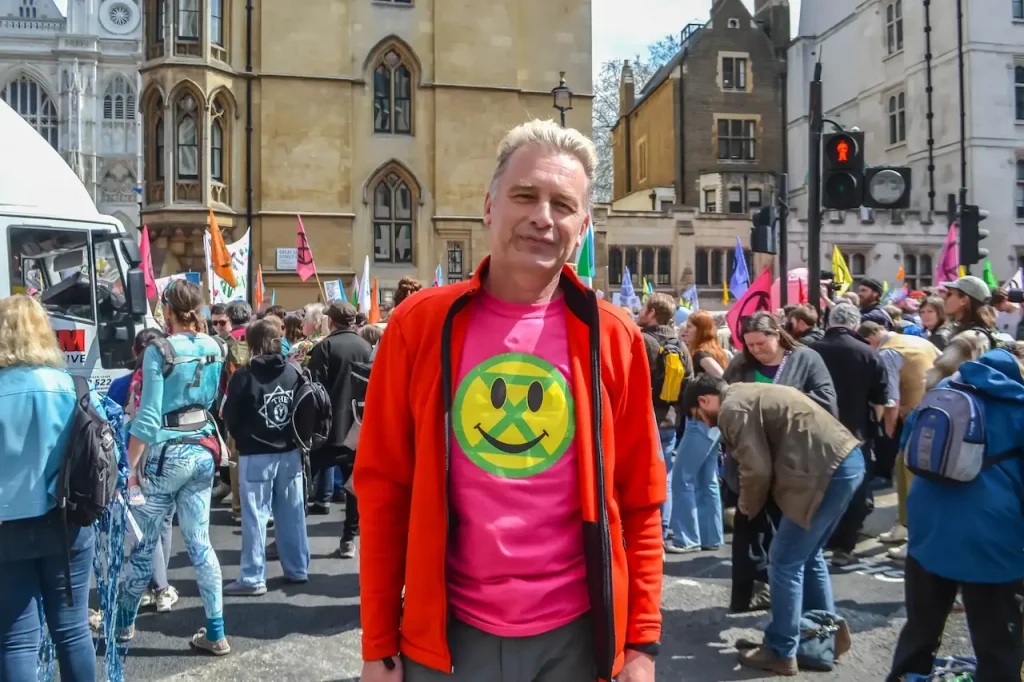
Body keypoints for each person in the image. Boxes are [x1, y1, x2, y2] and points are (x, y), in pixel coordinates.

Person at [355, 119, 664, 682]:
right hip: (446, 641)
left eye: (562, 204)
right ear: (490, 207)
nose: (542, 216)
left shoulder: (614, 336)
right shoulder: (417, 326)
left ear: (583, 225)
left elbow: (640, 501)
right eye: (525, 195)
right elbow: (382, 490)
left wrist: (641, 644)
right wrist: (377, 645)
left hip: (578, 641)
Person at [682, 375, 861, 675]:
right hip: (846, 462)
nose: (704, 424)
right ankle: (821, 640)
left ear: (704, 401)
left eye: (697, 417)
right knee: (808, 556)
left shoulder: (731, 410)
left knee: (783, 561)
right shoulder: (745, 393)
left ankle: (781, 650)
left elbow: (757, 469)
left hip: (826, 471)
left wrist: (746, 507)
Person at [886, 348, 1024, 682]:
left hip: (928, 523)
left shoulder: (943, 394)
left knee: (921, 626)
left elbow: (908, 445)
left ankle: (905, 676)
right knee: (996, 640)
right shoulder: (1018, 408)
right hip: (991, 535)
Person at [116, 279, 230, 655]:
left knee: (145, 544)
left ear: (167, 309)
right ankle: (216, 631)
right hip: (202, 448)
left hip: (167, 452)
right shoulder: (216, 347)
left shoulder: (158, 350)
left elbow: (147, 418)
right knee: (200, 543)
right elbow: (213, 400)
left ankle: (123, 626)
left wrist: (129, 468)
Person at [0, 295, 106, 682]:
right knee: (72, 630)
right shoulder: (70, 386)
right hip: (66, 522)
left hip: (6, 528)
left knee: (16, 640)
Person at [223, 319, 309, 595]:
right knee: (292, 513)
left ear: (251, 342)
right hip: (289, 452)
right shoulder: (293, 372)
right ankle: (297, 569)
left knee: (255, 518)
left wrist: (243, 438)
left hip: (256, 453)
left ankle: (252, 577)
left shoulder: (244, 376)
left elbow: (231, 418)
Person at [809, 304, 889, 566]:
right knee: (854, 489)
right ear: (856, 325)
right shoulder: (869, 353)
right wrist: (870, 427)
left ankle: (817, 542)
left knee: (817, 487)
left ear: (829, 321)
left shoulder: (810, 351)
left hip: (815, 431)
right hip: (855, 433)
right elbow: (880, 400)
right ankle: (844, 547)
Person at [860, 320, 940, 561]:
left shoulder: (887, 354)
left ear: (870, 340)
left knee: (911, 478)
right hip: (938, 414)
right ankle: (903, 526)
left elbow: (891, 401)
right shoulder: (917, 341)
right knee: (904, 474)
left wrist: (888, 430)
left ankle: (914, 538)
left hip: (917, 420)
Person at [306, 301, 372, 557]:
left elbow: (313, 388)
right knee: (353, 487)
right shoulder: (367, 347)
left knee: (303, 483)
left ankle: (291, 539)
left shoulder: (325, 347)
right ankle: (348, 539)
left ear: (331, 322)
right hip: (357, 428)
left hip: (326, 430)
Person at [666, 309, 726, 553]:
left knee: (682, 478)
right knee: (706, 479)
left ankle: (687, 538)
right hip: (711, 422)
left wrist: (704, 393)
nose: (684, 329)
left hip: (701, 421)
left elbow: (722, 379)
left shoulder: (701, 354)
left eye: (690, 326)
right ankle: (710, 536)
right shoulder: (710, 351)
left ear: (701, 329)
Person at [636, 292, 693, 549]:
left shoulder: (642, 340)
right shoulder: (680, 345)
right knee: (665, 477)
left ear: (651, 313)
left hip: (644, 420)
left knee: (640, 478)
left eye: (643, 308)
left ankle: (644, 533)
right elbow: (689, 383)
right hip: (669, 420)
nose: (639, 311)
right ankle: (661, 532)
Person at [288, 302, 330, 370]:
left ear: (315, 322)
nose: (302, 324)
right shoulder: (332, 340)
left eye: (306, 320)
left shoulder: (303, 346)